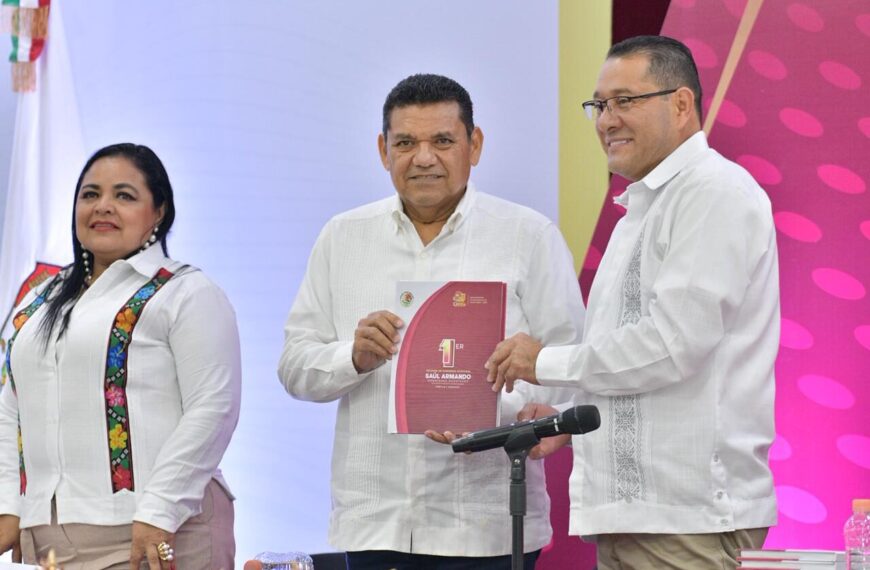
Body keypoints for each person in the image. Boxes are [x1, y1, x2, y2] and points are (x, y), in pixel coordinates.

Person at [486, 36, 780, 569]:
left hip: (690, 519)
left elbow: (672, 347)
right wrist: (567, 420)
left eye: (625, 101)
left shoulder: (713, 194)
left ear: (682, 104)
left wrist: (543, 360)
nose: (606, 120)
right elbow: (633, 360)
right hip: (638, 517)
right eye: (599, 105)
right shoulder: (642, 207)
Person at [278, 74, 585, 570]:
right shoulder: (343, 237)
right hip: (377, 521)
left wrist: (508, 402)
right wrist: (352, 357)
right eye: (406, 143)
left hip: (488, 525)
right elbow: (294, 368)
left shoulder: (527, 236)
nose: (423, 158)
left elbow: (574, 367)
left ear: (474, 144)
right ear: (383, 150)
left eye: (442, 141)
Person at [0, 143, 241, 569]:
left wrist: (159, 511)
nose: (103, 207)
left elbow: (213, 408)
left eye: (124, 195)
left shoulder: (186, 291)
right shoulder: (38, 302)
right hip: (54, 545)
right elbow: (10, 408)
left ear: (159, 211)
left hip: (160, 535)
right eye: (90, 194)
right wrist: (10, 504)